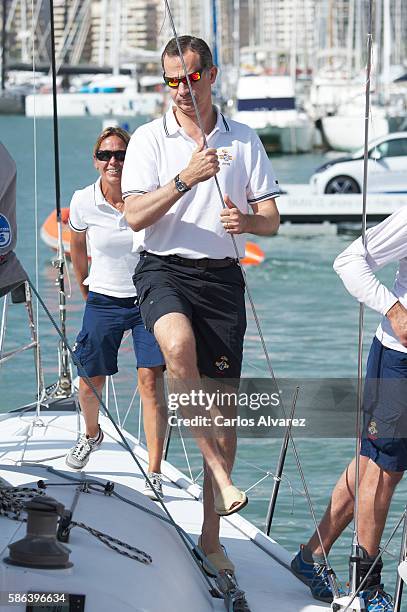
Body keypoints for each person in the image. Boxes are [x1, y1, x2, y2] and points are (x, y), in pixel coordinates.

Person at [122, 35, 280, 575]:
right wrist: (185, 178)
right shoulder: (149, 138)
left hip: (222, 281)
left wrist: (248, 223)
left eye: (190, 78)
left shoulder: (245, 139)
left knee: (224, 415)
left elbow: (271, 220)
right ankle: (214, 466)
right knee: (176, 345)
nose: (181, 90)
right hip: (163, 268)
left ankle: (212, 541)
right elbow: (135, 217)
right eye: (171, 81)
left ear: (211, 74)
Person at [291, 208, 407, 611]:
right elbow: (349, 261)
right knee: (383, 467)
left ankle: (311, 556)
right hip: (400, 357)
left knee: (374, 463)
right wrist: (395, 311)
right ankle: (367, 586)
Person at [66, 126, 167, 501]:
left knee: (151, 382)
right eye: (106, 155)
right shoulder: (83, 200)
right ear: (96, 161)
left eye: (121, 155)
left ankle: (154, 471)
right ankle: (91, 435)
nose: (113, 161)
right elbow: (76, 245)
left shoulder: (146, 196)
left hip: (148, 300)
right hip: (103, 298)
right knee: (90, 379)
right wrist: (84, 286)